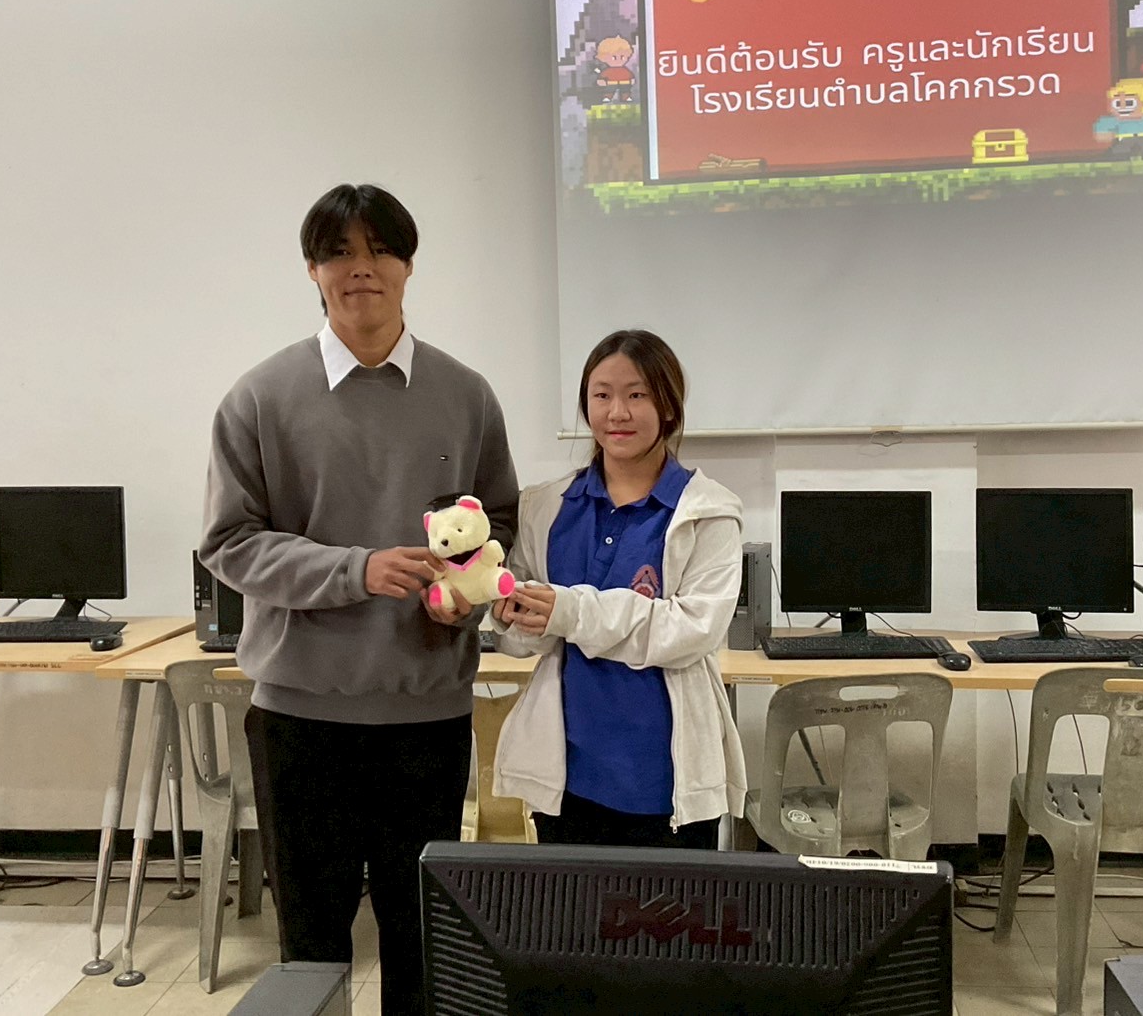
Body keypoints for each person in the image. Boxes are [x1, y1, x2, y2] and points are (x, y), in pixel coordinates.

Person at [198, 183, 518, 1015]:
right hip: (302, 718)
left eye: (379, 250)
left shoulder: (466, 394)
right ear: (312, 270)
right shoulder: (260, 397)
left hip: (427, 715)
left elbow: (497, 525)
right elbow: (228, 543)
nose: (360, 268)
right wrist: (356, 571)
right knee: (310, 946)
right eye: (338, 252)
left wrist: (464, 595)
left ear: (408, 266)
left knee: (425, 943)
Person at [490, 329, 746, 847]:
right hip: (568, 776)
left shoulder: (709, 512)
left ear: (668, 407)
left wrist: (568, 610)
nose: (617, 413)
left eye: (637, 394)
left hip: (666, 785)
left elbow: (692, 631)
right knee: (569, 903)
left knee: (675, 902)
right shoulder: (546, 506)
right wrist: (507, 612)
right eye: (601, 395)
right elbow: (523, 641)